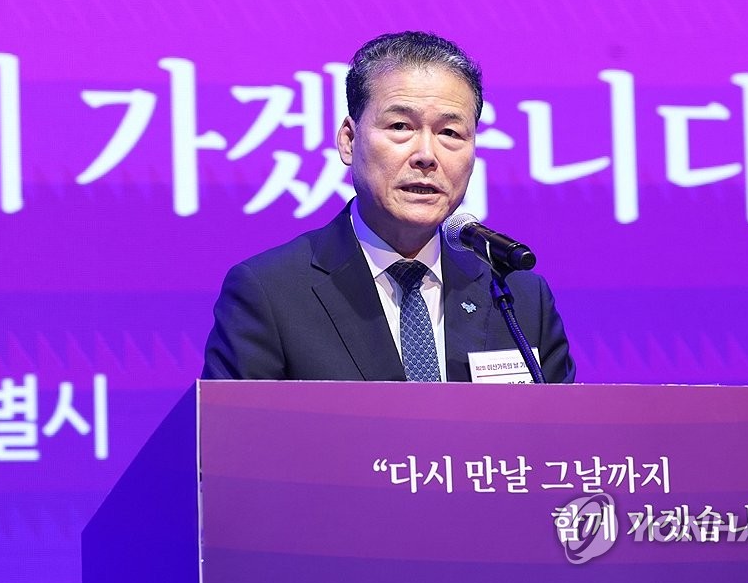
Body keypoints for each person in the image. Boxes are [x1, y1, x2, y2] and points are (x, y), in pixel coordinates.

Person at [202, 31, 575, 383]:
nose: (427, 155)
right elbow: (239, 444)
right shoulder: (270, 292)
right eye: (400, 126)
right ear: (349, 140)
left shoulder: (519, 299)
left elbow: (565, 443)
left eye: (450, 133)